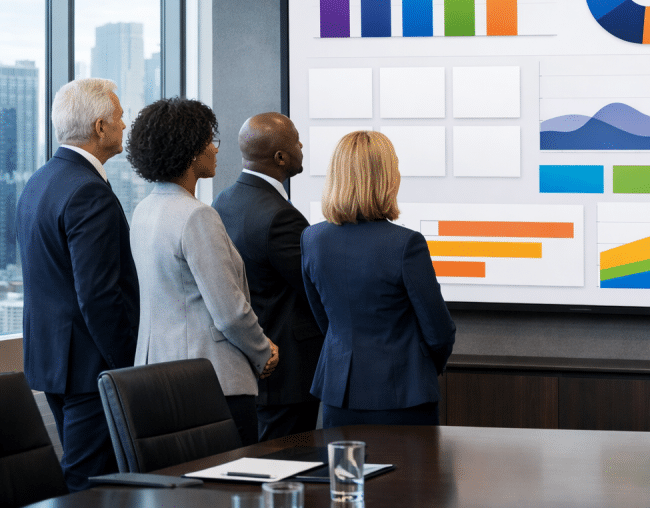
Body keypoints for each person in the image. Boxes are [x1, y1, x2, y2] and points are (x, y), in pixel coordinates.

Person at [125, 98, 279, 445]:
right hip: (212, 383)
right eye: (209, 140)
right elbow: (230, 312)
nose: (215, 149)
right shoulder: (197, 215)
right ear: (191, 150)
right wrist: (263, 351)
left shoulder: (143, 210)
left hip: (158, 376)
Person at [15, 78, 140, 491]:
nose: (125, 125)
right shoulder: (89, 190)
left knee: (82, 474)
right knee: (90, 484)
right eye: (120, 117)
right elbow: (99, 295)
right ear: (100, 128)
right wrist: (127, 365)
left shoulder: (38, 181)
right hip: (90, 368)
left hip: (51, 359)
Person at [302, 130, 456, 427]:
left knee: (343, 461)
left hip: (339, 395)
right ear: (386, 177)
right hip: (403, 397)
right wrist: (421, 368)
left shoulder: (312, 239)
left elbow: (324, 319)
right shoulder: (406, 244)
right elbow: (439, 331)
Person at [212, 112, 323, 441]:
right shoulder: (281, 217)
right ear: (280, 157)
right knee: (288, 465)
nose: (302, 147)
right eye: (297, 141)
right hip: (287, 376)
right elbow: (314, 288)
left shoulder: (223, 201)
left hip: (248, 367)